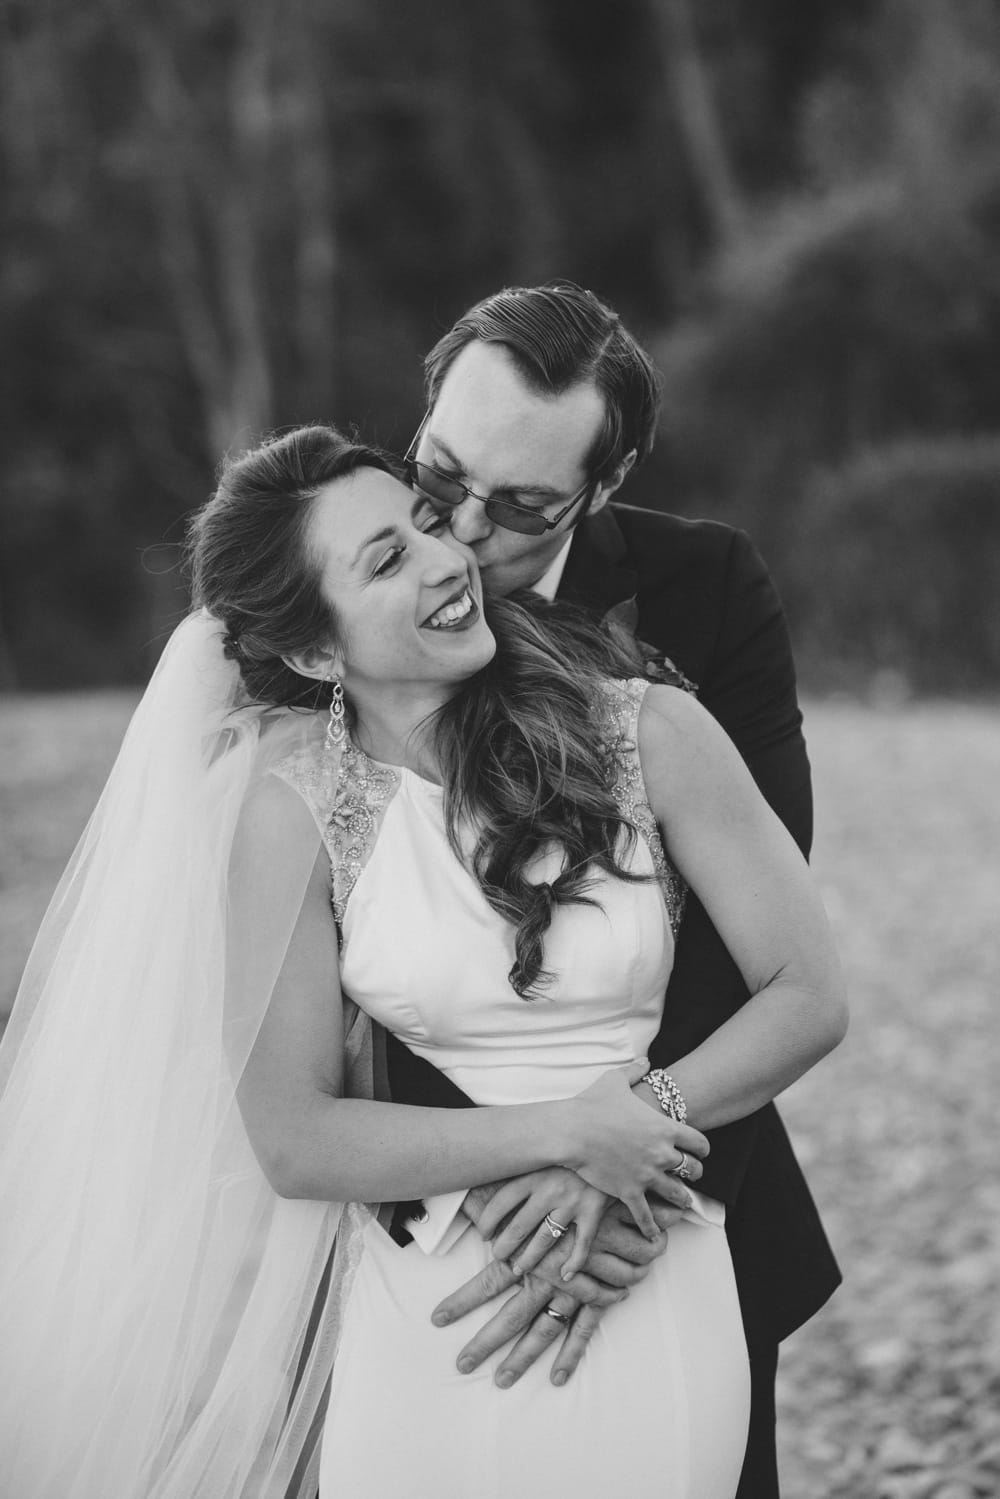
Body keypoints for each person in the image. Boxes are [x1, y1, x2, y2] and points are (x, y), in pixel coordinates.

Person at [0, 424, 845, 1498]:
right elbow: (295, 1135)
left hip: (646, 1257)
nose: (447, 558)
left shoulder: (650, 731)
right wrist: (563, 1136)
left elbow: (808, 991)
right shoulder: (294, 811)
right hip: (429, 1300)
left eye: (424, 520)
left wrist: (635, 1123)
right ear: (315, 650)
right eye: (387, 558)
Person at [387, 281, 843, 1497]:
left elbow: (753, 939)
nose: (463, 532)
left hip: (684, 1182)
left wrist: (630, 1169)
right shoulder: (338, 576)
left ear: (606, 478)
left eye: (523, 506)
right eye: (438, 477)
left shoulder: (707, 589)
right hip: (413, 1208)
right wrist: (498, 1166)